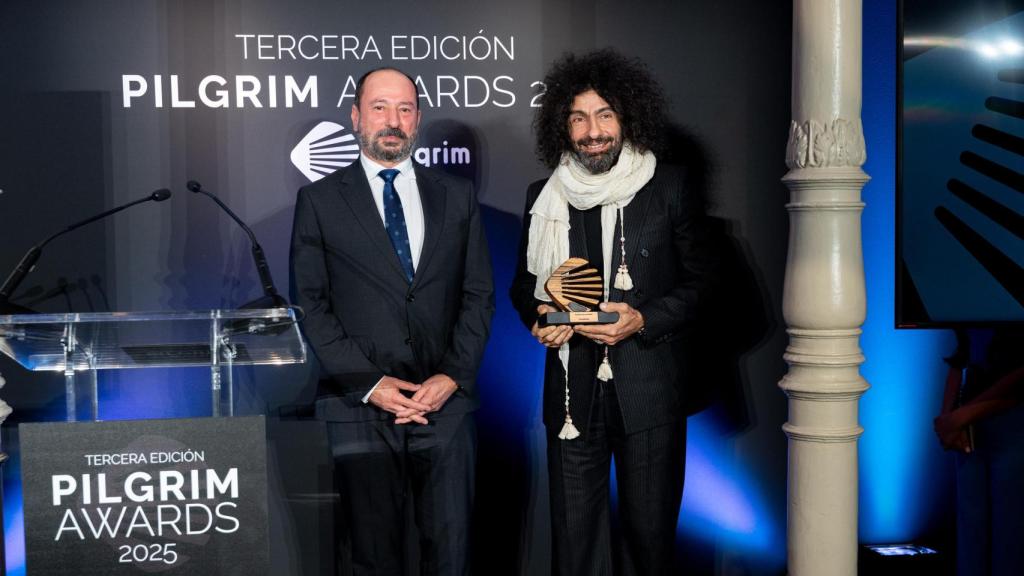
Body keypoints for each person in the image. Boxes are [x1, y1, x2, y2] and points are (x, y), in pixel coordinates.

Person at [510, 49, 711, 576]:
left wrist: (643, 319)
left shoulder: (668, 186)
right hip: (571, 398)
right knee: (573, 546)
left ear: (627, 118)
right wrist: (540, 315)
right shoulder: (543, 195)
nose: (592, 131)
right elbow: (524, 286)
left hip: (649, 393)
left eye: (604, 115)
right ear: (563, 126)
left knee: (648, 545)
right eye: (578, 118)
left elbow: (704, 285)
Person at [290, 67, 494, 576]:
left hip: (444, 404)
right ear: (356, 117)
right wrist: (371, 383)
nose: (392, 120)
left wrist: (452, 376)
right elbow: (310, 305)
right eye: (379, 107)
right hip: (359, 404)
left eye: (404, 109)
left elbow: (478, 296)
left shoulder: (457, 196)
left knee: (452, 556)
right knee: (372, 556)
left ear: (417, 119)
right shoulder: (319, 200)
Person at [935, 328, 1024, 576]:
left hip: (1010, 418)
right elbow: (961, 355)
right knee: (971, 522)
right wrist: (948, 419)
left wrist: (962, 414)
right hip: (969, 426)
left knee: (1009, 527)